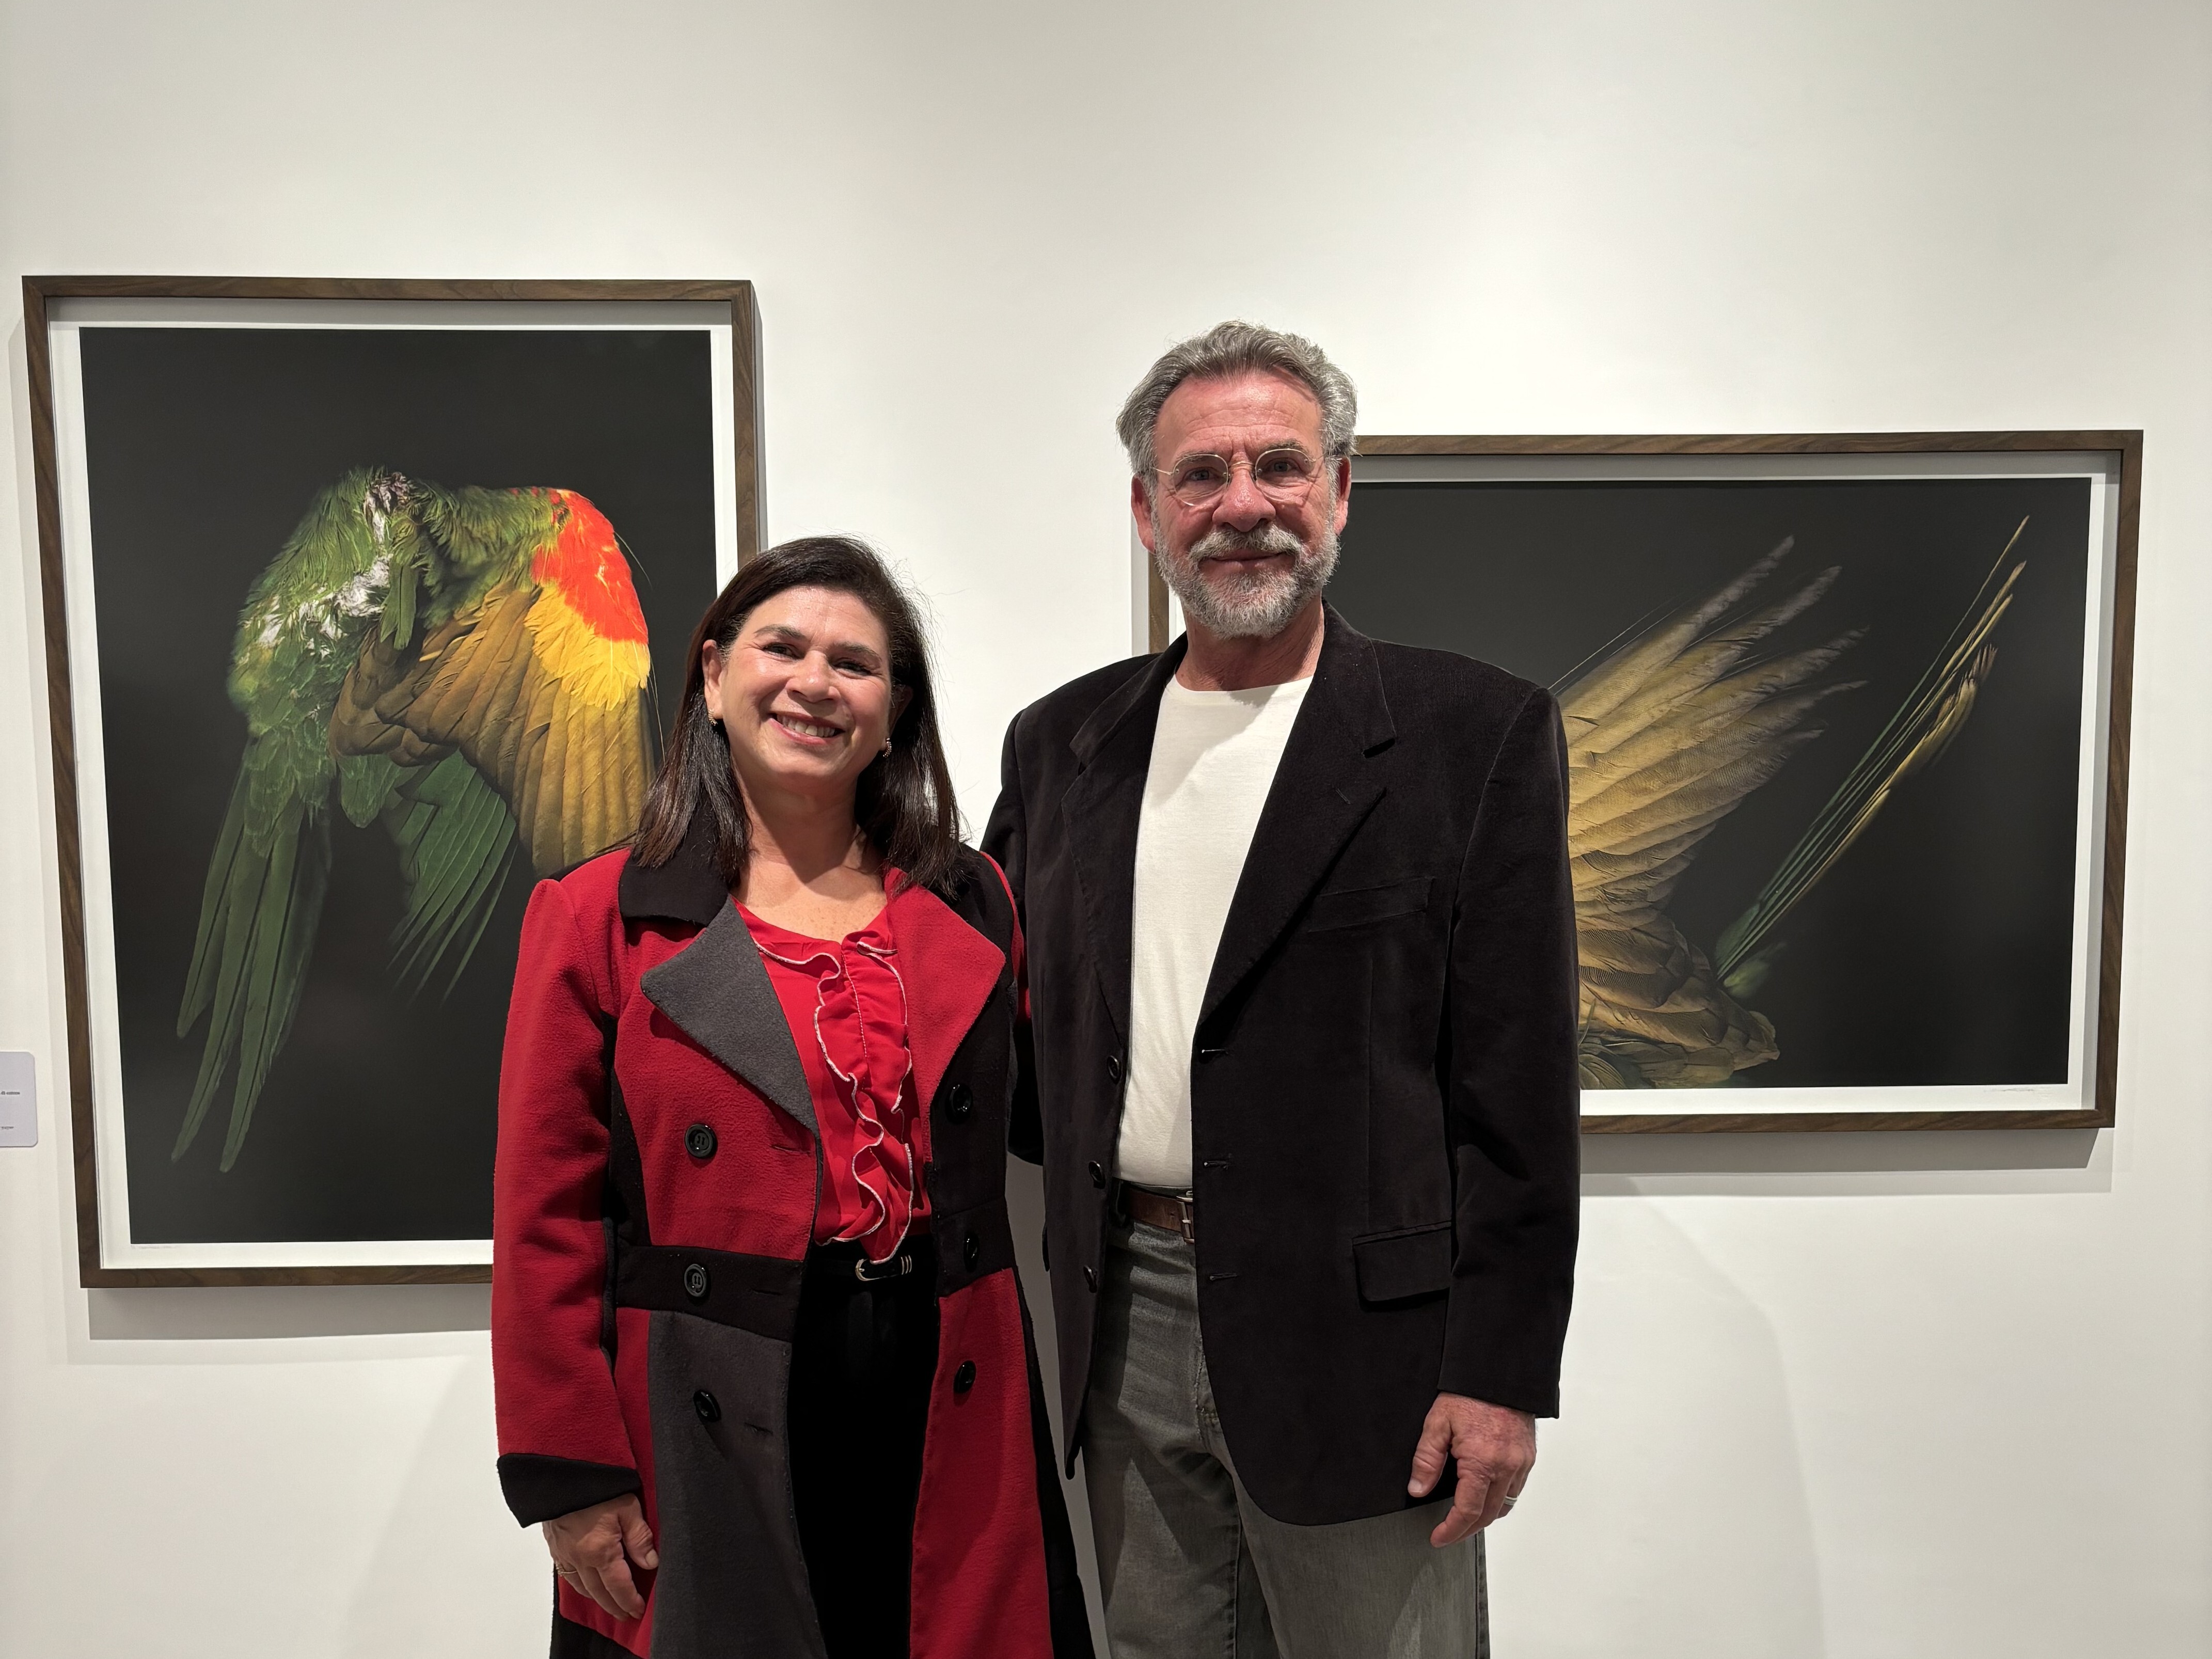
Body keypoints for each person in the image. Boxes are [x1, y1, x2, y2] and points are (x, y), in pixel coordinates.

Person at [983, 323, 1581, 1658]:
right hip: (1121, 1319)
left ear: (1340, 490)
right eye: (1200, 473)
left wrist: (1499, 1372)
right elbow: (1008, 1017)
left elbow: (1520, 1092)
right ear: (1147, 509)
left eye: (1279, 465)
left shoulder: (1472, 734)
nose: (1241, 503)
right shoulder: (1062, 742)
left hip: (1367, 1346)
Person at [492, 537, 1092, 1659]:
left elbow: (1066, 1090)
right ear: (714, 675)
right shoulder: (597, 914)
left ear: (894, 711)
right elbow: (544, 1217)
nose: (815, 682)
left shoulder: (973, 897)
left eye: (855, 663)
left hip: (945, 1371)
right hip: (707, 1389)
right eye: (783, 648)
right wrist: (569, 1469)